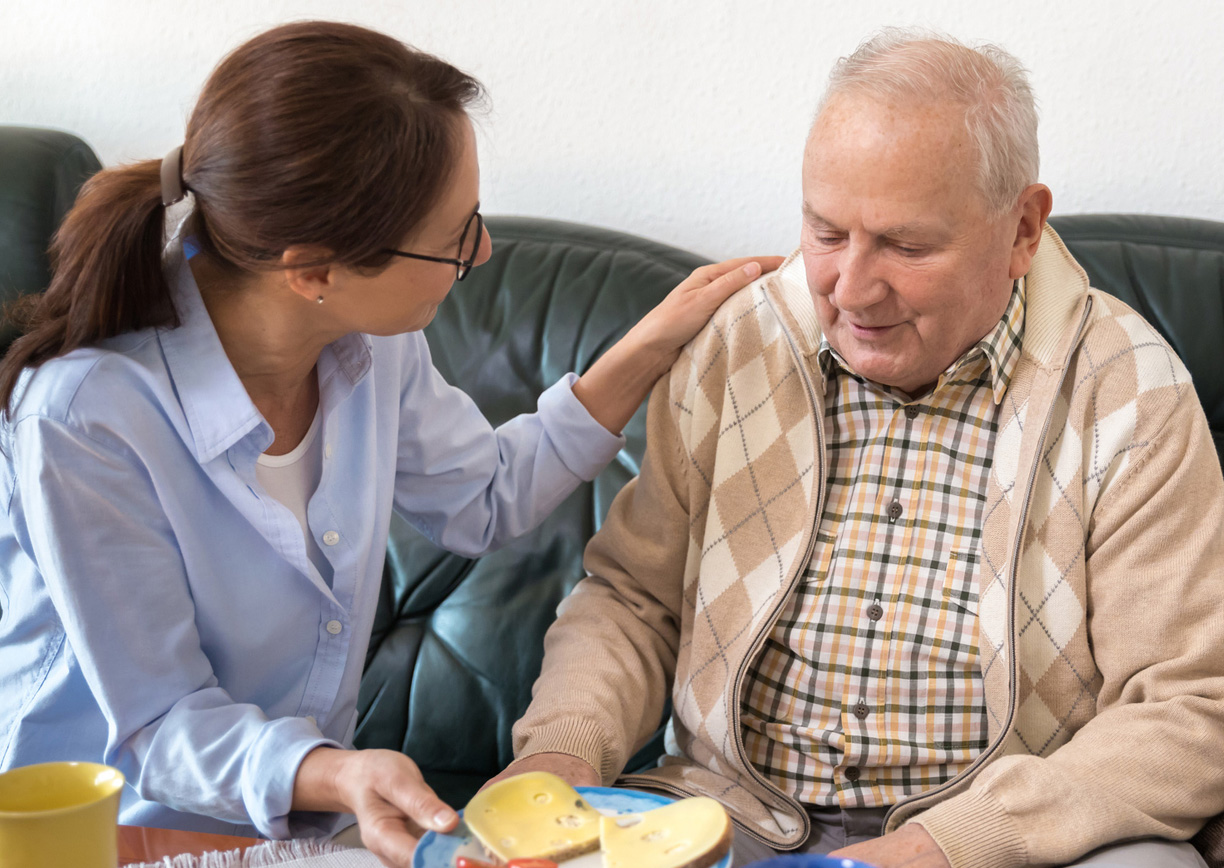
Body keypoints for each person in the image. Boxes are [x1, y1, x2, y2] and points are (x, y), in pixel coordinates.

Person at [0, 21, 780, 868]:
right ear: (313, 272)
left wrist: (648, 345)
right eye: (454, 237)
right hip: (108, 833)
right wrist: (335, 774)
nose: (480, 251)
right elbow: (159, 724)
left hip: (299, 828)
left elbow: (482, 499)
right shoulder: (85, 418)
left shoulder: (371, 340)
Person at [499, 28, 1224, 868]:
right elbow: (635, 599)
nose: (850, 289)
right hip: (724, 819)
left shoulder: (1128, 389)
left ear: (1023, 228)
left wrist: (950, 844)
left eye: (905, 245)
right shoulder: (739, 343)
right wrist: (560, 751)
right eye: (825, 232)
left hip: (1003, 841)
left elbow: (1191, 706)